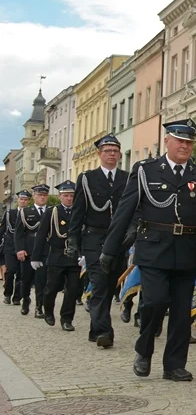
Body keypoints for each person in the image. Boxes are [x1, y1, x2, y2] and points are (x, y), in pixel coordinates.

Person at [101, 119, 196, 381]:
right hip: (153, 247)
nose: (185, 146)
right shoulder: (146, 170)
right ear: (167, 141)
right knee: (153, 303)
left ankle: (174, 364)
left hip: (188, 250)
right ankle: (144, 350)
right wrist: (110, 249)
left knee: (180, 311)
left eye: (189, 142)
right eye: (180, 141)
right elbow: (125, 211)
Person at [67, 135, 130, 347]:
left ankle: (95, 328)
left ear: (120, 154)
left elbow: (134, 210)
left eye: (115, 150)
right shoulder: (87, 178)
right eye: (107, 150)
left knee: (111, 284)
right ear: (99, 154)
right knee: (100, 283)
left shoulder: (127, 177)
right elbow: (77, 212)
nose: (111, 154)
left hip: (119, 240)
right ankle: (104, 332)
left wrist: (133, 231)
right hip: (94, 238)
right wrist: (73, 241)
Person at [31, 181, 82, 329]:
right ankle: (48, 312)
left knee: (72, 290)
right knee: (51, 288)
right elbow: (41, 235)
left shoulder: (79, 212)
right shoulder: (52, 211)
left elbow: (84, 234)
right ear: (60, 196)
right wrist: (35, 256)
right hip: (56, 255)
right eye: (66, 195)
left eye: (72, 196)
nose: (69, 199)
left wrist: (83, 253)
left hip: (73, 256)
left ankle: (66, 320)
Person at [15, 184, 50, 317]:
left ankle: (39, 307)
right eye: (40, 195)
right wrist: (20, 249)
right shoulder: (25, 212)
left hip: (45, 250)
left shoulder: (51, 211)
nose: (42, 197)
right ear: (34, 196)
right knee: (26, 279)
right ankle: (25, 300)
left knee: (42, 280)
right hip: (29, 250)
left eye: (45, 195)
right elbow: (18, 233)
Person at [3, 191, 30, 306]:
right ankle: (7, 294)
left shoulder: (30, 213)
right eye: (21, 199)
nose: (23, 201)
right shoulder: (9, 213)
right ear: (17, 200)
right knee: (10, 271)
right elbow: (3, 229)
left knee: (21, 274)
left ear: (28, 201)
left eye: (25, 199)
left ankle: (17, 297)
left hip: (23, 247)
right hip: (9, 247)